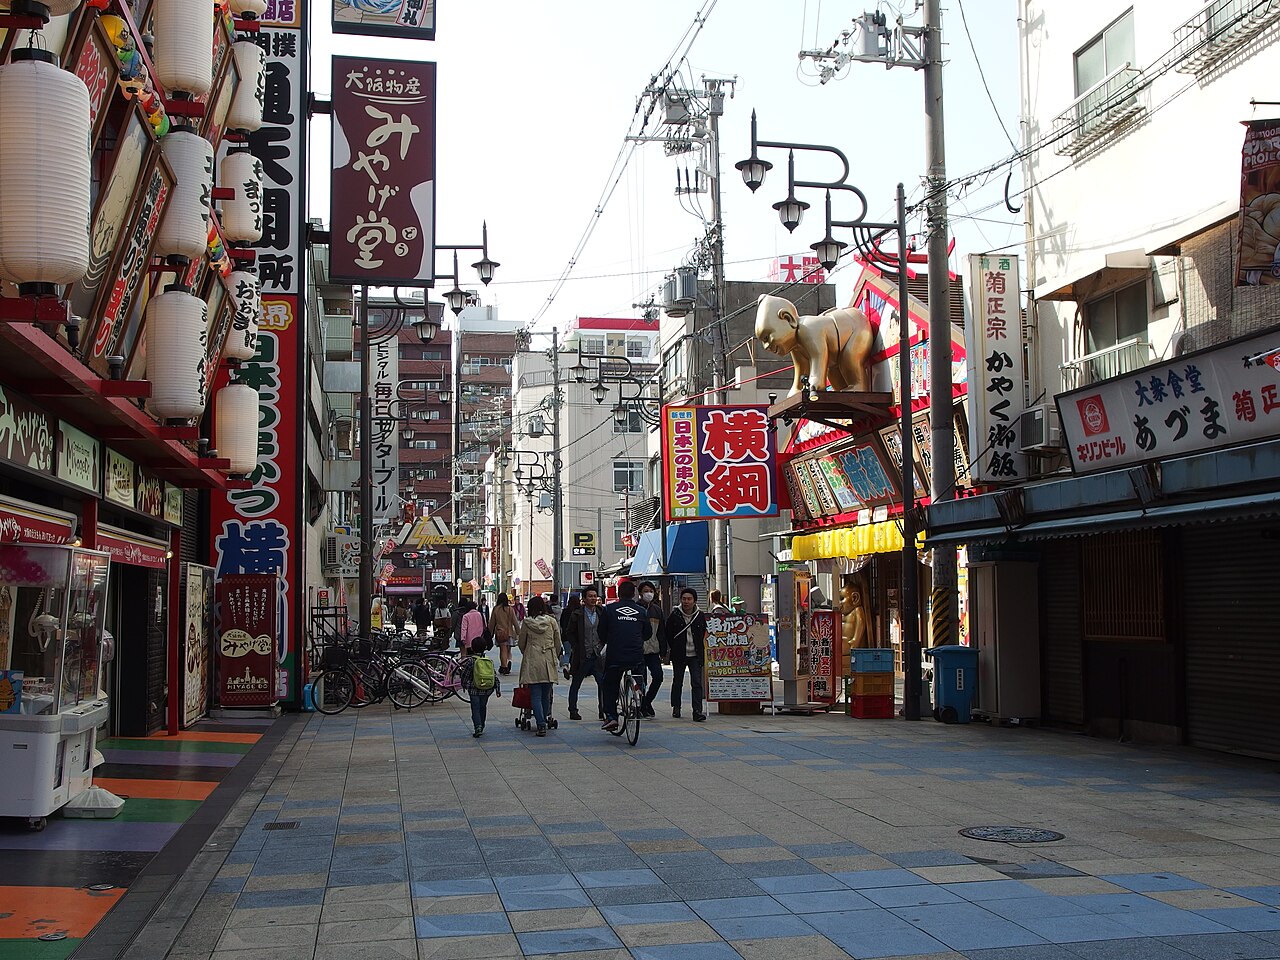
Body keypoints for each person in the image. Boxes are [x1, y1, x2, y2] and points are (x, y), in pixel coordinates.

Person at [598, 580, 650, 733]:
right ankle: (638, 696)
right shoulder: (641, 611)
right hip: (636, 655)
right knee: (639, 675)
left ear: (619, 594)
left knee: (609, 684)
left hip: (616, 655)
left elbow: (601, 632)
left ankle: (611, 717)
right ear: (634, 594)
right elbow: (647, 634)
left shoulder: (609, 610)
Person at [516, 595, 561, 736]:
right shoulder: (552, 622)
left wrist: (528, 652)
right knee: (546, 694)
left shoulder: (527, 623)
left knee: (535, 694)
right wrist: (555, 654)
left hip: (533, 660)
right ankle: (546, 719)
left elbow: (521, 643)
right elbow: (557, 642)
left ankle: (541, 724)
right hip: (548, 659)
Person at [666, 587, 707, 721]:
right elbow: (668, 633)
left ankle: (697, 711)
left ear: (694, 601)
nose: (686, 602)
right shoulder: (675, 615)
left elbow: (704, 634)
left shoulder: (700, 615)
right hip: (679, 654)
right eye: (684, 599)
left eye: (689, 599)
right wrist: (674, 647)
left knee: (696, 682)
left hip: (695, 655)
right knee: (678, 681)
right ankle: (676, 707)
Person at [564, 587, 604, 721]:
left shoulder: (601, 612)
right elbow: (569, 632)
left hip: (597, 655)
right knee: (576, 683)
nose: (593, 599)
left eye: (595, 596)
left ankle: (603, 709)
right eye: (590, 596)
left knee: (602, 683)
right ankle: (573, 710)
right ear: (584, 599)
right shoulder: (577, 614)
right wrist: (576, 646)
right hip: (582, 655)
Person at [636, 581, 666, 719]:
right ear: (640, 593)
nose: (648, 593)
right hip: (638, 651)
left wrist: (664, 649)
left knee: (658, 677)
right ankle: (642, 705)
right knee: (641, 680)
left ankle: (646, 702)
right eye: (645, 590)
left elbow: (661, 631)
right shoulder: (635, 608)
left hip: (653, 650)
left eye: (651, 590)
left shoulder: (657, 610)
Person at [467, 633, 502, 737]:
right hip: (487, 689)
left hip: (474, 689)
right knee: (483, 707)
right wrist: (497, 688)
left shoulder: (471, 661)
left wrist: (465, 685)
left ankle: (477, 726)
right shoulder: (488, 661)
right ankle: (482, 724)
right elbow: (493, 675)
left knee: (475, 708)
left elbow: (466, 675)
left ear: (472, 648)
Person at [489, 593, 518, 675]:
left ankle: (504, 666)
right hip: (509, 633)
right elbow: (515, 622)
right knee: (508, 650)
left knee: (503, 650)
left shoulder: (496, 609)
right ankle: (508, 661)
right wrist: (519, 633)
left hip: (500, 633)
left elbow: (492, 622)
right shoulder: (510, 609)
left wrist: (490, 633)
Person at [559, 593, 581, 679]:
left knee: (567, 652)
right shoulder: (579, 612)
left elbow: (561, 623)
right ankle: (574, 669)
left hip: (565, 635)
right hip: (576, 636)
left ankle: (565, 666)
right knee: (576, 653)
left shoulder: (565, 611)